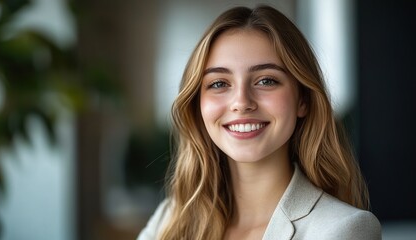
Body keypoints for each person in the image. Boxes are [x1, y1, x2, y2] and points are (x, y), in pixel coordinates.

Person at [138, 5, 381, 240]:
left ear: (302, 100)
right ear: (198, 105)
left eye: (266, 81)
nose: (241, 102)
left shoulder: (345, 230)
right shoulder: (170, 220)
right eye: (219, 83)